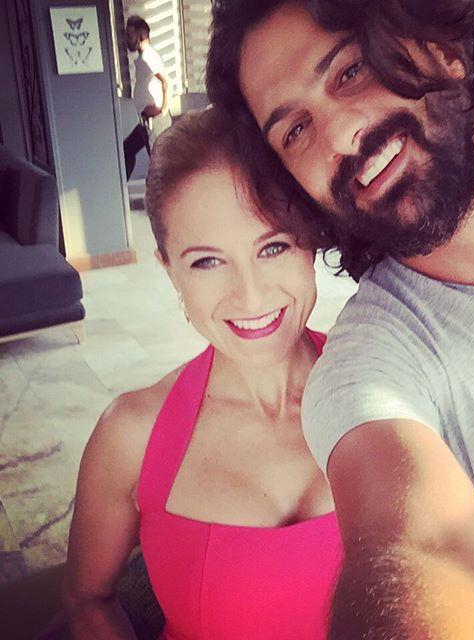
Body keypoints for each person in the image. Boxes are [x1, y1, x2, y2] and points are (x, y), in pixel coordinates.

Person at [206, 1, 474, 638]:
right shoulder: (373, 360)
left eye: (351, 70)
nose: (340, 137)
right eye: (295, 131)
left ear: (443, 48)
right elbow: (415, 553)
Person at [63, 108, 342, 640]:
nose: (251, 296)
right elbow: (87, 598)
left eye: (274, 246)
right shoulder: (131, 435)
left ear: (311, 241)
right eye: (207, 262)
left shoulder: (387, 384)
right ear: (170, 270)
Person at [123, 16, 172, 181]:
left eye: (130, 35)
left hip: (155, 122)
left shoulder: (148, 57)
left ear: (140, 36)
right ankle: (121, 187)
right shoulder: (142, 57)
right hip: (144, 122)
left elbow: (166, 82)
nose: (127, 39)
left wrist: (163, 111)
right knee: (127, 150)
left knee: (161, 165)